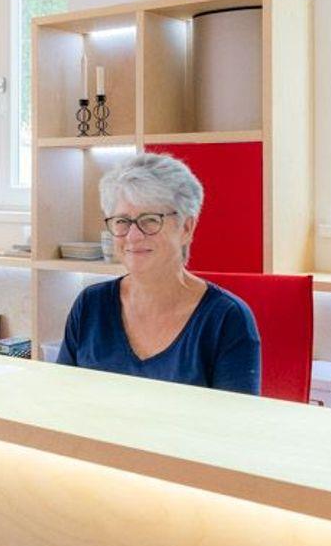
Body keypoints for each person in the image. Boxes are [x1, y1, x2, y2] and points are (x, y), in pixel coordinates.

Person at [54, 153, 261, 394]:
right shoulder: (90, 305)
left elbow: (235, 417)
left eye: (150, 220)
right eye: (122, 221)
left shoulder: (227, 319)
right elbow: (61, 397)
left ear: (186, 228)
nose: (133, 236)